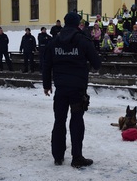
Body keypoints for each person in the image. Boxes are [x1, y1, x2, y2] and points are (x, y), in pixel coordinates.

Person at [42, 12, 101, 168]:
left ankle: (58, 156)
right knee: (76, 121)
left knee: (59, 121)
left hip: (60, 89)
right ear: (77, 24)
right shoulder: (83, 41)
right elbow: (97, 63)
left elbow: (46, 64)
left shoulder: (54, 42)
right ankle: (77, 157)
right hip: (77, 90)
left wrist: (46, 85)